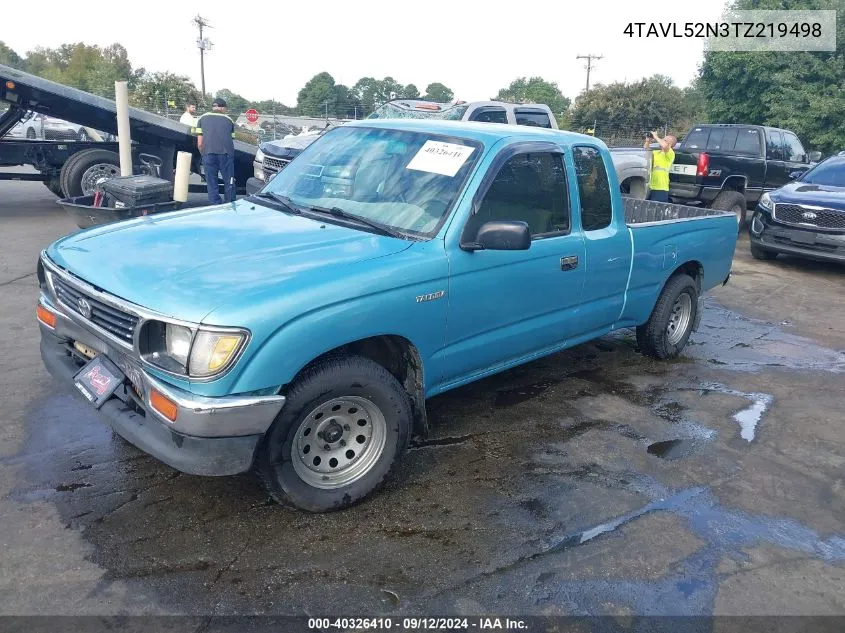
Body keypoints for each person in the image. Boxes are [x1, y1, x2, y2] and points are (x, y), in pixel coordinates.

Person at [196, 98, 236, 203]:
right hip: (226, 155)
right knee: (229, 181)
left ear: (213, 107)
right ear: (223, 108)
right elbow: (231, 139)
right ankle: (230, 204)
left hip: (208, 154)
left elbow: (200, 143)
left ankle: (216, 205)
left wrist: (203, 154)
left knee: (211, 182)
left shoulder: (202, 118)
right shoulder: (229, 120)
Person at [644, 131, 677, 202]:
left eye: (664, 140)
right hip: (651, 186)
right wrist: (648, 141)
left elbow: (665, 146)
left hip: (661, 187)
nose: (661, 141)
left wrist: (655, 136)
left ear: (670, 144)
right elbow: (645, 151)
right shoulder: (656, 152)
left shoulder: (670, 153)